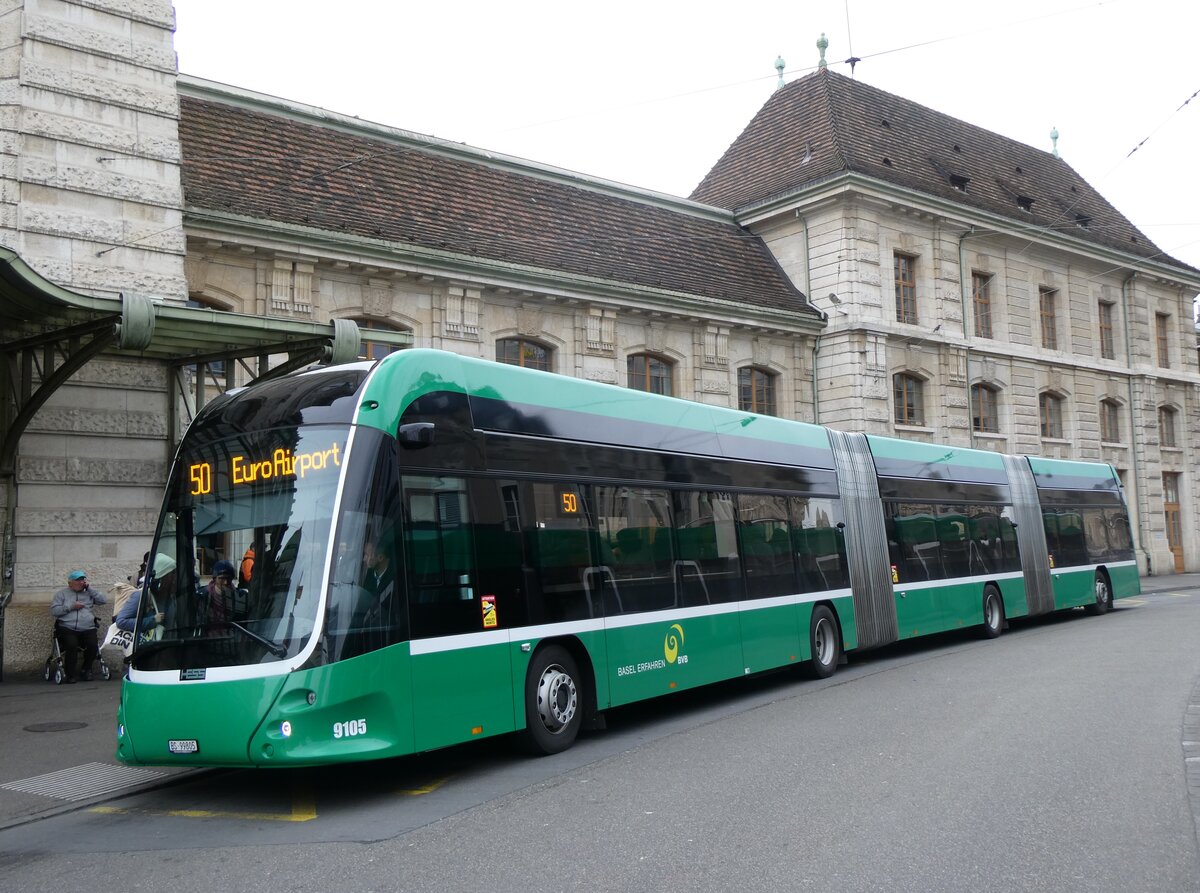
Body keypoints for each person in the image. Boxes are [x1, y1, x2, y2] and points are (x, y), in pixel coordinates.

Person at [50, 570, 107, 683]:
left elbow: (103, 600)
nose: (81, 582)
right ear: (70, 582)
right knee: (71, 645)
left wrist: (89, 588)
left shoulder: (88, 593)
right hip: (68, 627)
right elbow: (54, 611)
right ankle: (70, 674)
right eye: (78, 580)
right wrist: (71, 607)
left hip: (87, 627)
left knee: (92, 645)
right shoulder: (61, 594)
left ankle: (86, 670)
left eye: (82, 580)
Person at [205, 559, 238, 627]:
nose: (225, 582)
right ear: (214, 578)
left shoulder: (239, 596)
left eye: (228, 578)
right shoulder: (204, 596)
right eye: (222, 578)